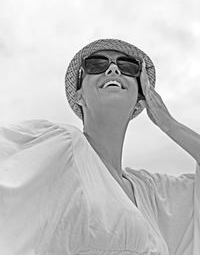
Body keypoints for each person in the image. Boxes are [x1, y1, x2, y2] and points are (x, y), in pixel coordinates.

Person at [0, 38, 199, 255]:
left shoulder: (152, 192)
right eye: (96, 64)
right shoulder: (62, 146)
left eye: (127, 67)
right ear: (79, 95)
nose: (113, 69)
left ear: (140, 99)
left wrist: (168, 124)